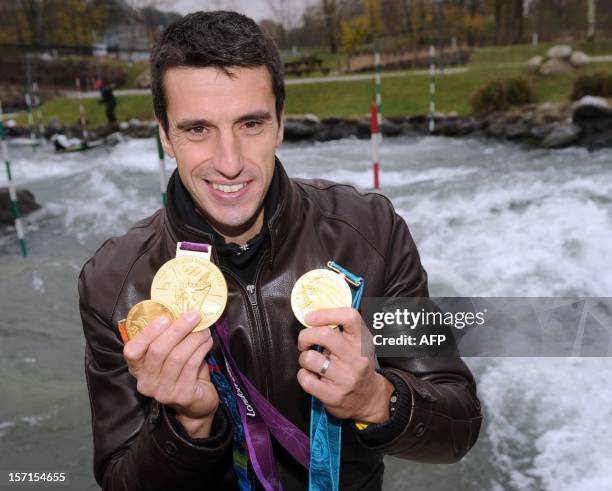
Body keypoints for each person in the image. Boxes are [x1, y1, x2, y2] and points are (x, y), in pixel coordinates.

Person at [79, 10, 481, 490]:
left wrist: (377, 400)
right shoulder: (113, 283)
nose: (230, 163)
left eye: (250, 124)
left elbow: (459, 425)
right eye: (197, 129)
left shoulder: (370, 233)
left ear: (281, 124)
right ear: (166, 135)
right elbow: (119, 481)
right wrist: (186, 426)